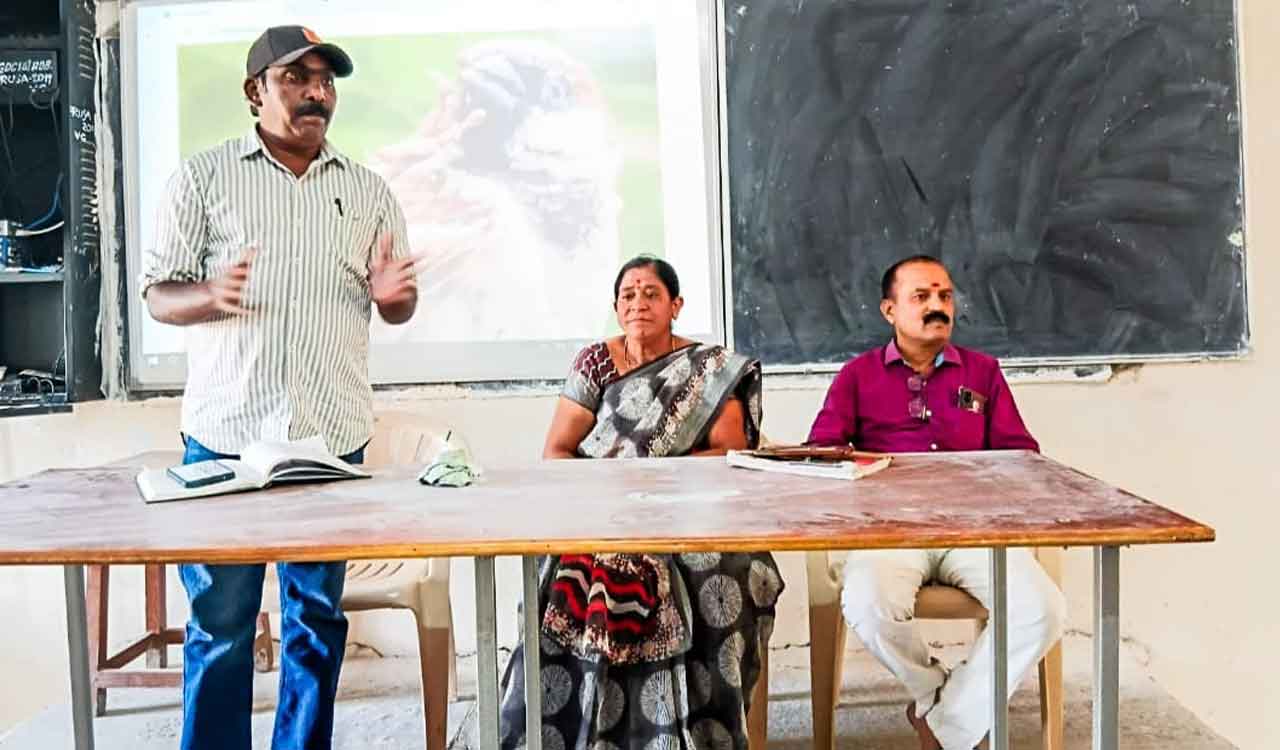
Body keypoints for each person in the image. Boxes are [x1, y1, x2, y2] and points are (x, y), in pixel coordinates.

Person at [140, 25, 420, 750]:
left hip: (330, 438)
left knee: (316, 622)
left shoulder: (366, 190)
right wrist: (210, 294)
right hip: (225, 436)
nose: (316, 93)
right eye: (296, 78)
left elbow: (397, 305)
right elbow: (158, 296)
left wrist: (393, 296)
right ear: (255, 91)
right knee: (222, 625)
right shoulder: (202, 178)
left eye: (326, 81)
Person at [498, 255, 784, 749]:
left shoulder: (708, 369)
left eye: (651, 293)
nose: (639, 303)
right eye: (628, 295)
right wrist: (614, 491)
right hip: (601, 514)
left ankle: (699, 734)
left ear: (676, 305)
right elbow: (557, 452)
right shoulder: (594, 363)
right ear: (615, 307)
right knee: (560, 579)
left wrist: (658, 485)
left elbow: (728, 454)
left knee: (718, 573)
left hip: (692, 513)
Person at [807, 255, 1066, 750]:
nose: (937, 307)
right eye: (921, 297)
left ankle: (944, 724)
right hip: (890, 531)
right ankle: (939, 700)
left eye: (944, 296)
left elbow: (1021, 454)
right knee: (867, 601)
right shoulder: (857, 377)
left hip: (973, 529)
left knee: (1042, 609)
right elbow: (822, 455)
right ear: (889, 309)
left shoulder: (983, 373)